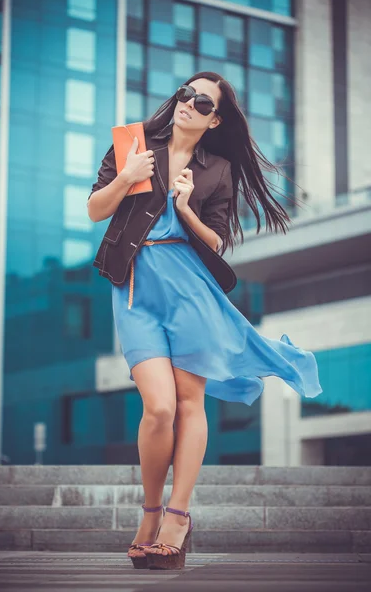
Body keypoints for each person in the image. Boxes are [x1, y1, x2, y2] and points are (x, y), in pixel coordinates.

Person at [87, 71, 323, 570]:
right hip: (134, 290)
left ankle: (177, 517)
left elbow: (216, 241)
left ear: (215, 119)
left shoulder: (218, 170)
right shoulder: (133, 143)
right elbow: (95, 208)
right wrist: (128, 177)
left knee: (188, 402)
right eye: (184, 94)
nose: (187, 104)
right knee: (158, 409)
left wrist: (185, 206)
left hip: (190, 290)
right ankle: (150, 513)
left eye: (201, 101)